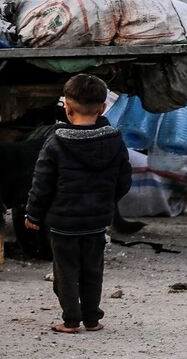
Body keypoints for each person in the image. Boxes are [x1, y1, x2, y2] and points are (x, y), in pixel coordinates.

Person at [24, 74, 132, 333]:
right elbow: (124, 180)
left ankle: (71, 320)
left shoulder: (56, 141)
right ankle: (92, 319)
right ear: (103, 108)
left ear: (67, 108)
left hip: (63, 223)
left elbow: (42, 184)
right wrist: (105, 202)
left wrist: (33, 215)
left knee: (66, 273)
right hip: (97, 221)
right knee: (93, 271)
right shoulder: (114, 139)